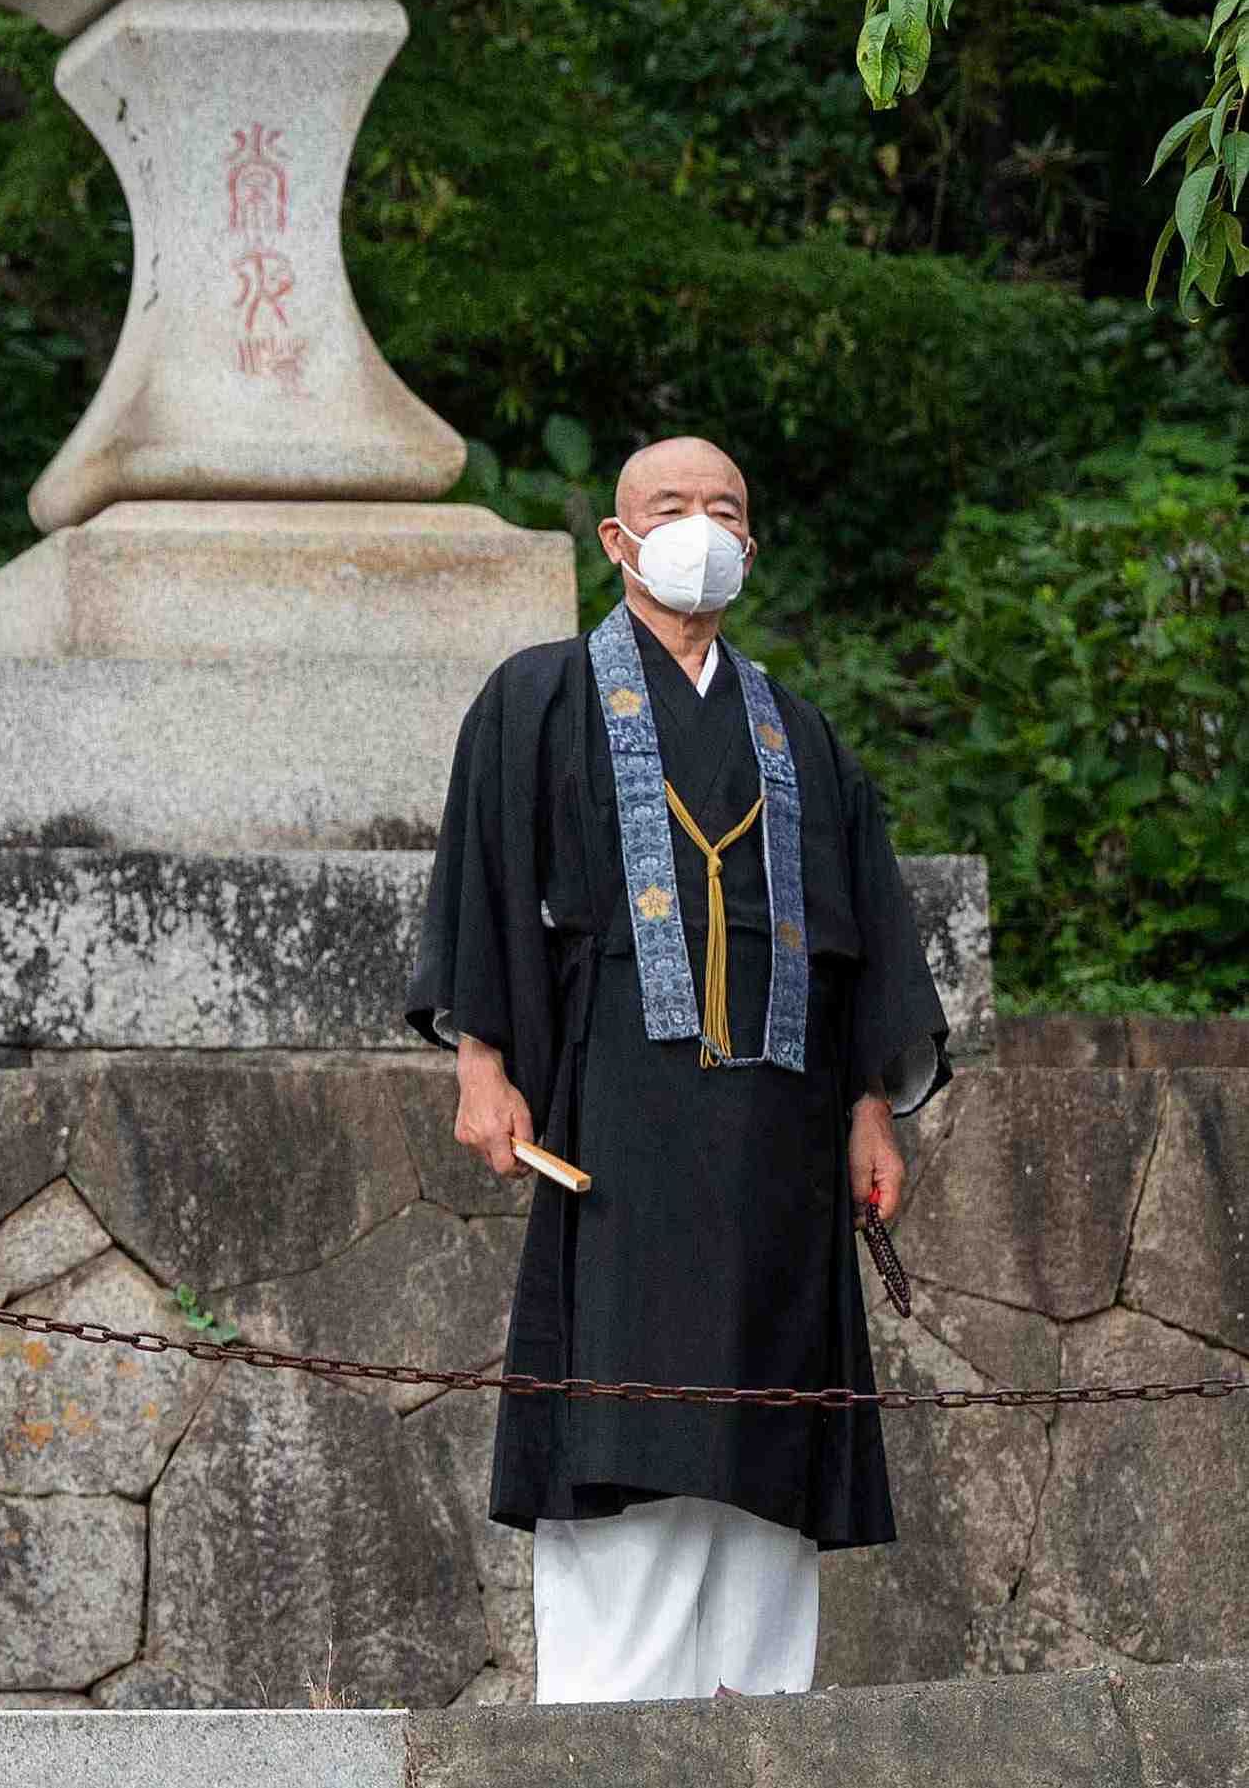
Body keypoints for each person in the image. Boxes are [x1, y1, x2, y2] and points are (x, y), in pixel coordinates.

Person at [404, 434, 951, 1705]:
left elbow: (850, 935)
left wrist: (870, 1107)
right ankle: (605, 1730)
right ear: (614, 538)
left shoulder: (801, 738)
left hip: (781, 1140)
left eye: (722, 509)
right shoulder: (534, 699)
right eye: (669, 506)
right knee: (625, 1426)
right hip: (622, 1129)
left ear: (748, 544)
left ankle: (763, 1725)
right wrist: (480, 1061)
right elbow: (486, 880)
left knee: (765, 1441)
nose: (697, 526)